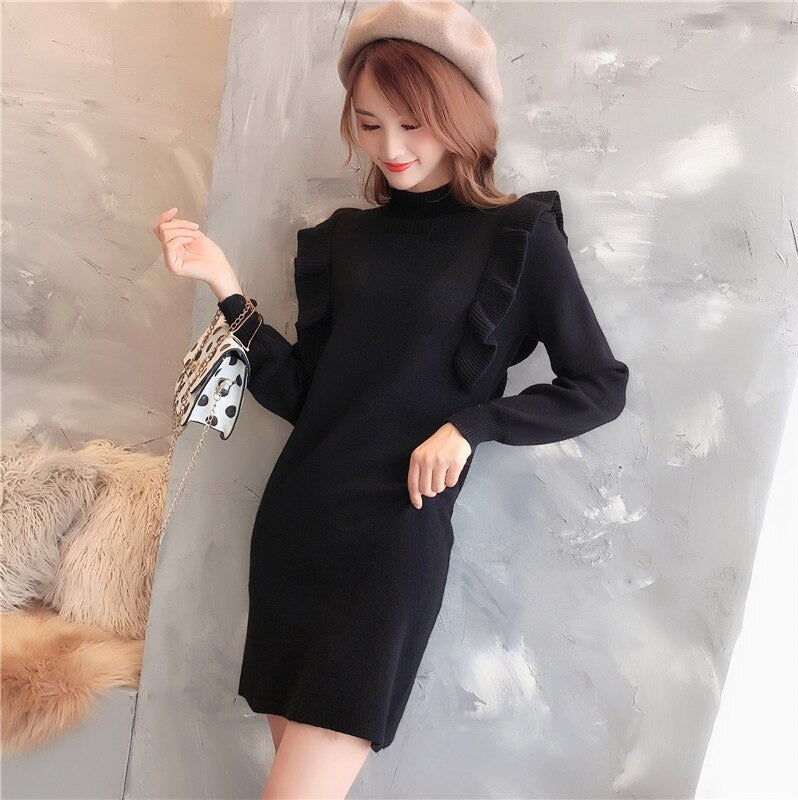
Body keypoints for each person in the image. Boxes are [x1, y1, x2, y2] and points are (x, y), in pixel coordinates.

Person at [153, 1, 629, 796]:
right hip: (298, 528)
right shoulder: (345, 240)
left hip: (390, 547)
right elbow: (306, 394)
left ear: (458, 117)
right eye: (370, 125)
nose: (391, 148)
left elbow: (599, 385)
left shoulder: (520, 236)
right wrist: (225, 287)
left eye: (412, 124)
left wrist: (473, 425)